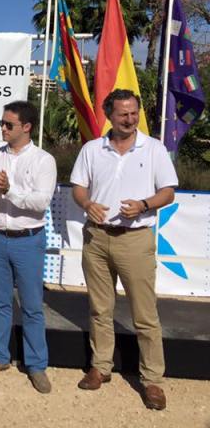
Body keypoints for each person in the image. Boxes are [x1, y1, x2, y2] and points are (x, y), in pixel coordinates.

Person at [70, 89, 177, 411]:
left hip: (135, 239)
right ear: (109, 115)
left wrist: (144, 204)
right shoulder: (92, 149)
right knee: (99, 309)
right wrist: (86, 203)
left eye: (134, 113)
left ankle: (152, 380)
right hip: (97, 238)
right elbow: (78, 186)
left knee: (145, 315)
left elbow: (168, 192)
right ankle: (101, 367)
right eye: (123, 114)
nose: (130, 119)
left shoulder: (154, 149)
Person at [0, 101, 57, 394]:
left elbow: (40, 202)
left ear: (27, 127)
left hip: (28, 240)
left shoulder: (43, 160)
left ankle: (36, 365)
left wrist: (10, 191)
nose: (3, 128)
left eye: (9, 124)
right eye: (2, 124)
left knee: (32, 306)